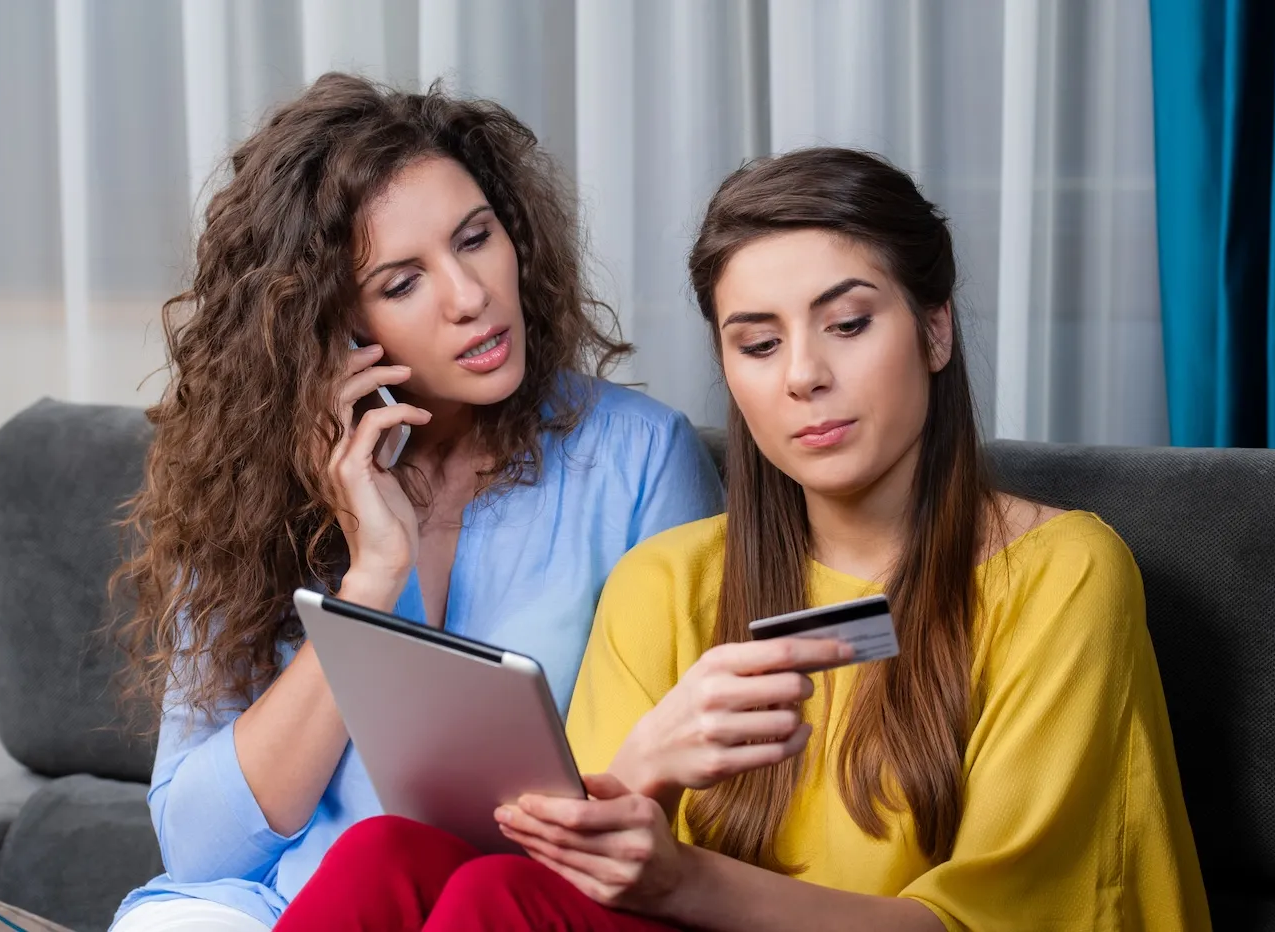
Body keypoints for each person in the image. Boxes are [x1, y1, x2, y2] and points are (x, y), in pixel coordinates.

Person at [273, 148, 1211, 931]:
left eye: (847, 324)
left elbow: (988, 923)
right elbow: (565, 866)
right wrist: (643, 763)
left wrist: (687, 877)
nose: (804, 375)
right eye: (758, 345)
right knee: (387, 853)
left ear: (934, 330)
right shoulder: (668, 581)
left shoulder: (1061, 574)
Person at [107, 73, 723, 932]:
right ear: (330, 324)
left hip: (516, 906)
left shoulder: (639, 458)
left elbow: (689, 791)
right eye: (402, 284)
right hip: (288, 905)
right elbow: (199, 847)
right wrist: (370, 578)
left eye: (476, 238)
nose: (469, 296)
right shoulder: (252, 488)